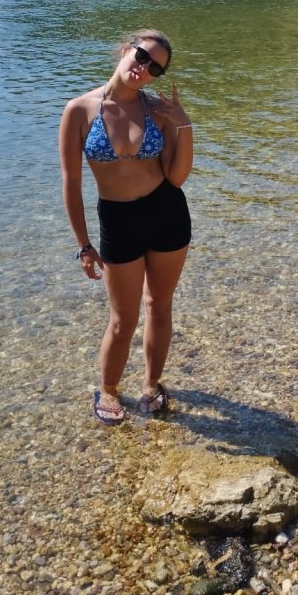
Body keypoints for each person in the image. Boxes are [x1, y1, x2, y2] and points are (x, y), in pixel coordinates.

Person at [59, 29, 193, 425]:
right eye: (142, 56)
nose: (144, 68)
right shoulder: (79, 110)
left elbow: (176, 177)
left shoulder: (158, 111)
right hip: (118, 221)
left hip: (166, 214)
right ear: (125, 49)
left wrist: (184, 125)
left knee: (159, 306)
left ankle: (151, 387)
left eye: (155, 68)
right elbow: (71, 183)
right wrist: (84, 245)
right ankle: (109, 390)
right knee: (122, 319)